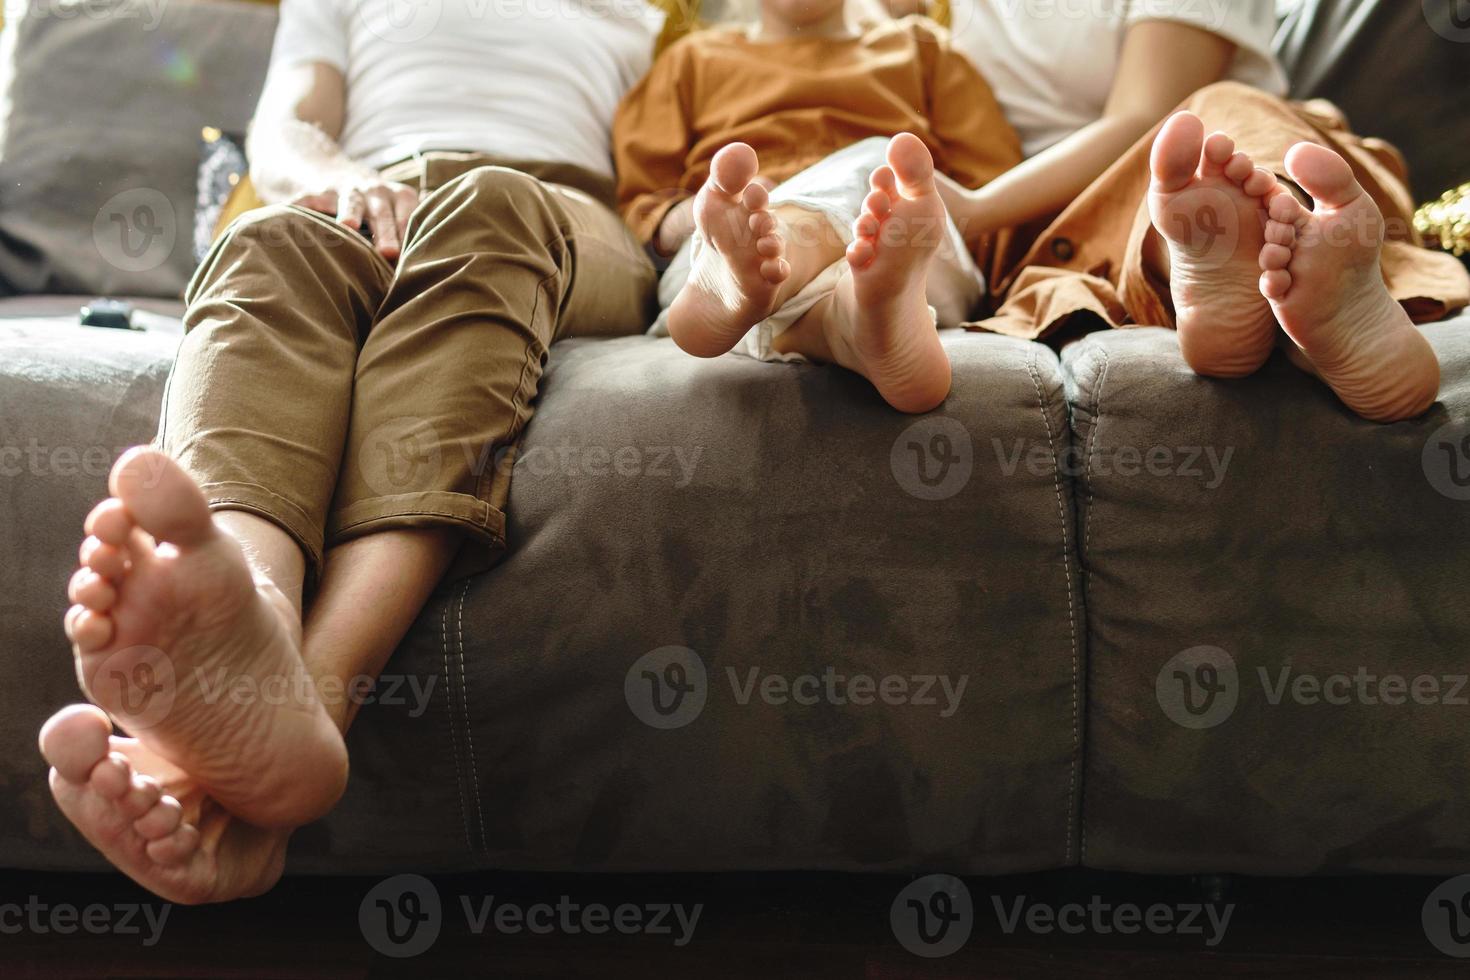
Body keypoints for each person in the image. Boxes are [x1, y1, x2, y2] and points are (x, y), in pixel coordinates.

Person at [37, 0, 665, 903]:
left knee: (494, 205)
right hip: (369, 193)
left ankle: (308, 704)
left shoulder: (653, 14)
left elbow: (700, 147)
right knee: (264, 239)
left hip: (565, 213)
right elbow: (288, 129)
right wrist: (342, 179)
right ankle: (248, 615)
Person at [926, 0, 1469, 422]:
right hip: (1063, 225)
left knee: (1212, 144)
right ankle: (1284, 312)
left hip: (1228, 145)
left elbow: (1146, 111)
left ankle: (1293, 250)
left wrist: (977, 207)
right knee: (1185, 213)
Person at [614, 1, 1021, 412]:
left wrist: (772, 223)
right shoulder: (691, 60)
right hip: (711, 253)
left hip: (914, 256)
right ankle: (849, 323)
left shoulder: (922, 50)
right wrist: (696, 212)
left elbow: (989, 197)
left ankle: (775, 261)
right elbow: (645, 210)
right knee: (742, 229)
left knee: (884, 164)